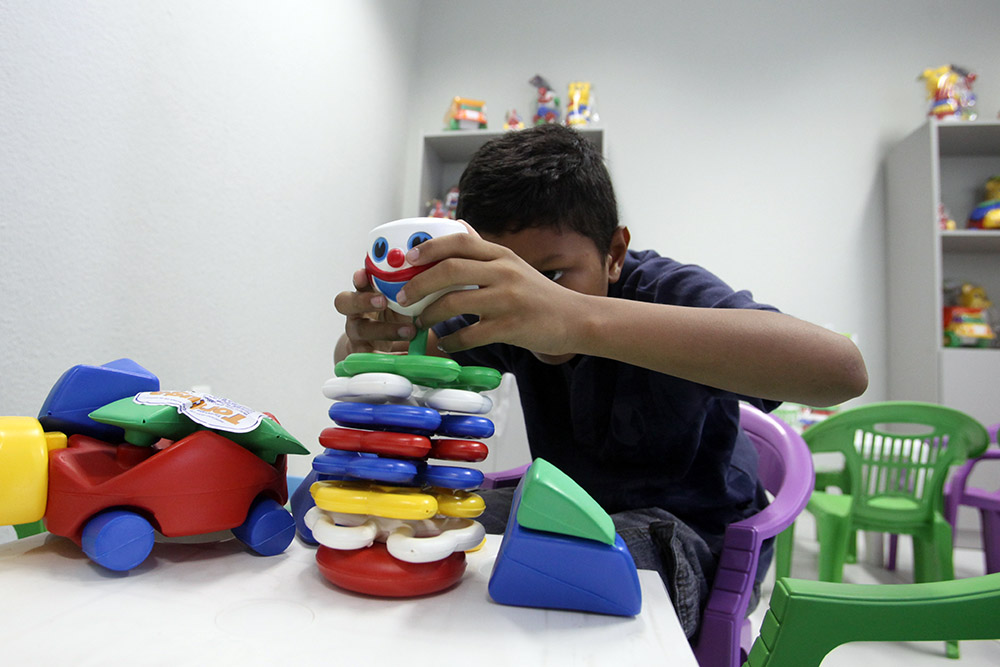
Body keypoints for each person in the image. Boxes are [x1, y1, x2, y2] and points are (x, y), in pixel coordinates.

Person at [334, 124, 868, 637]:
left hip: (690, 534)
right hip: (568, 506)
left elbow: (841, 370)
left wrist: (575, 317)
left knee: (546, 567)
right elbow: (393, 358)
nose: (527, 297)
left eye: (552, 276)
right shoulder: (496, 314)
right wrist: (371, 339)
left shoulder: (665, 290)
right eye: (506, 278)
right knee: (408, 522)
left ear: (613, 254)